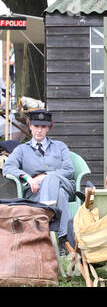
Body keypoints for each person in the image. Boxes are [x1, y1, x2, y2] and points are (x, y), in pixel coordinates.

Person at [2, 109, 75, 255]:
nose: (39, 130)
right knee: (59, 194)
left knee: (53, 180)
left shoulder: (60, 146)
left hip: (64, 185)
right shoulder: (22, 149)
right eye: (36, 126)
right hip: (36, 192)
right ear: (30, 126)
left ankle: (42, 234)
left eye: (43, 127)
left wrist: (44, 176)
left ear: (48, 127)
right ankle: (64, 240)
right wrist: (28, 178)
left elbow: (69, 170)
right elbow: (8, 168)